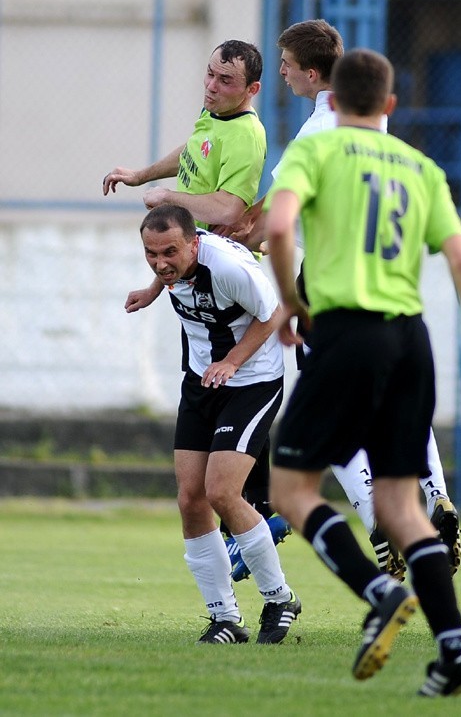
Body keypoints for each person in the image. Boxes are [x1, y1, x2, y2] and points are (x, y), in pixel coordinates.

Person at [265, 49, 461, 693]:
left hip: (346, 332)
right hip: (412, 340)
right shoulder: (421, 168)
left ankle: (379, 593)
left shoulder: (315, 150)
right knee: (404, 509)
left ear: (334, 100)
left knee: (291, 489)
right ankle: (457, 648)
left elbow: (280, 222)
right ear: (391, 106)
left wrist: (293, 303)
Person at [222, 20, 461, 582]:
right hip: (397, 297)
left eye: (284, 62)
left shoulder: (319, 136)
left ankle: (379, 527)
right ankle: (435, 499)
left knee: (324, 428)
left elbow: (274, 220)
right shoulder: (389, 139)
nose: (278, 71)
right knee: (403, 410)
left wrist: (249, 248)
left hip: (331, 285)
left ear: (312, 73)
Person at [102, 39, 290, 555]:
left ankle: (256, 520)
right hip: (192, 271)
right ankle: (260, 514)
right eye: (209, 75)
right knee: (208, 373)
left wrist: (169, 198)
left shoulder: (248, 134)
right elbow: (192, 154)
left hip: (222, 271)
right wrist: (141, 175)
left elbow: (228, 210)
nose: (211, 86)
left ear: (251, 89)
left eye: (225, 81)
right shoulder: (212, 116)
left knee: (232, 374)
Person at [137, 204, 301, 644]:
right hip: (200, 381)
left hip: (252, 383)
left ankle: (279, 597)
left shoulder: (228, 268)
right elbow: (169, 266)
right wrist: (154, 288)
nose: (160, 262)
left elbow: (272, 315)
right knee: (191, 498)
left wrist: (231, 360)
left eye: (169, 252)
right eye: (151, 254)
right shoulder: (172, 263)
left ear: (195, 243)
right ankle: (225, 618)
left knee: (221, 492)